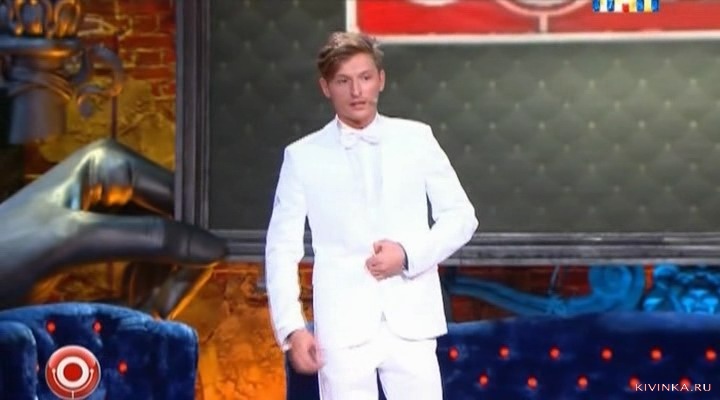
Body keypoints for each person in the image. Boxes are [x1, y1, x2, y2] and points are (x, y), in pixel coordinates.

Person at [265, 31, 478, 400]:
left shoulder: (417, 139)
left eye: (364, 77)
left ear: (381, 79)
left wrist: (407, 255)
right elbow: (281, 249)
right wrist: (291, 329)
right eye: (343, 81)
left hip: (411, 320)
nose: (356, 91)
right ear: (325, 87)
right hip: (342, 329)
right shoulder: (302, 156)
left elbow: (461, 217)